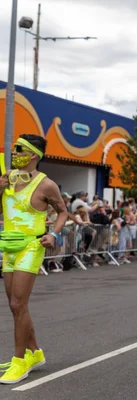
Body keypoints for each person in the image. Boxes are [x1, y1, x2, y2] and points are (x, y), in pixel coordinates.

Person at [0, 135, 68, 384]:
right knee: (14, 305)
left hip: (31, 245)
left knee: (18, 304)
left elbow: (62, 211)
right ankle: (35, 353)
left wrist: (53, 234)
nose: (14, 152)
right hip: (8, 244)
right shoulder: (8, 178)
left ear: (33, 155)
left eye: (18, 149)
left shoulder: (46, 184)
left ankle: (20, 362)